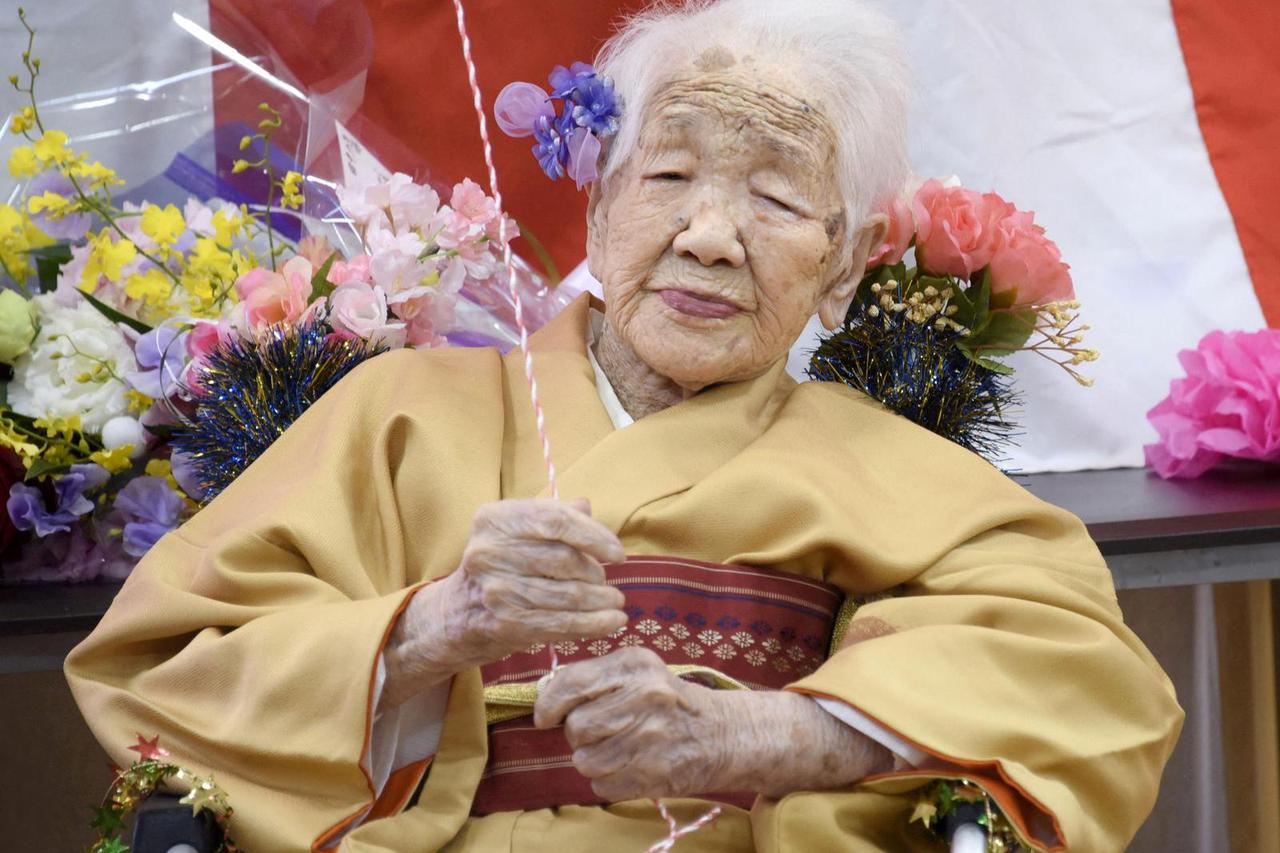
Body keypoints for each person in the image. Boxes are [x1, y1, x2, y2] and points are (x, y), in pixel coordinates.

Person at [66, 0, 1182, 850]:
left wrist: (755, 737)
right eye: (671, 174)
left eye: (777, 200)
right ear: (599, 212)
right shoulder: (393, 416)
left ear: (841, 267)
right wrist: (431, 628)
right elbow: (164, 673)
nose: (708, 235)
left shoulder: (895, 469)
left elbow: (1092, 686)